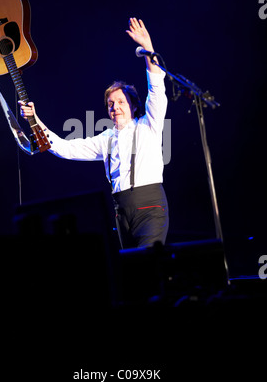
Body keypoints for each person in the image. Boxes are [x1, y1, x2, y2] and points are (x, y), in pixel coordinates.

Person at [19, 17, 169, 249]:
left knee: (149, 264)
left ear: (134, 106)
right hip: (121, 212)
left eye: (120, 101)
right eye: (110, 103)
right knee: (131, 272)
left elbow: (156, 88)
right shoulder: (106, 139)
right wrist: (35, 120)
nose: (114, 107)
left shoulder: (148, 125)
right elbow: (65, 149)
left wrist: (148, 48)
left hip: (150, 207)